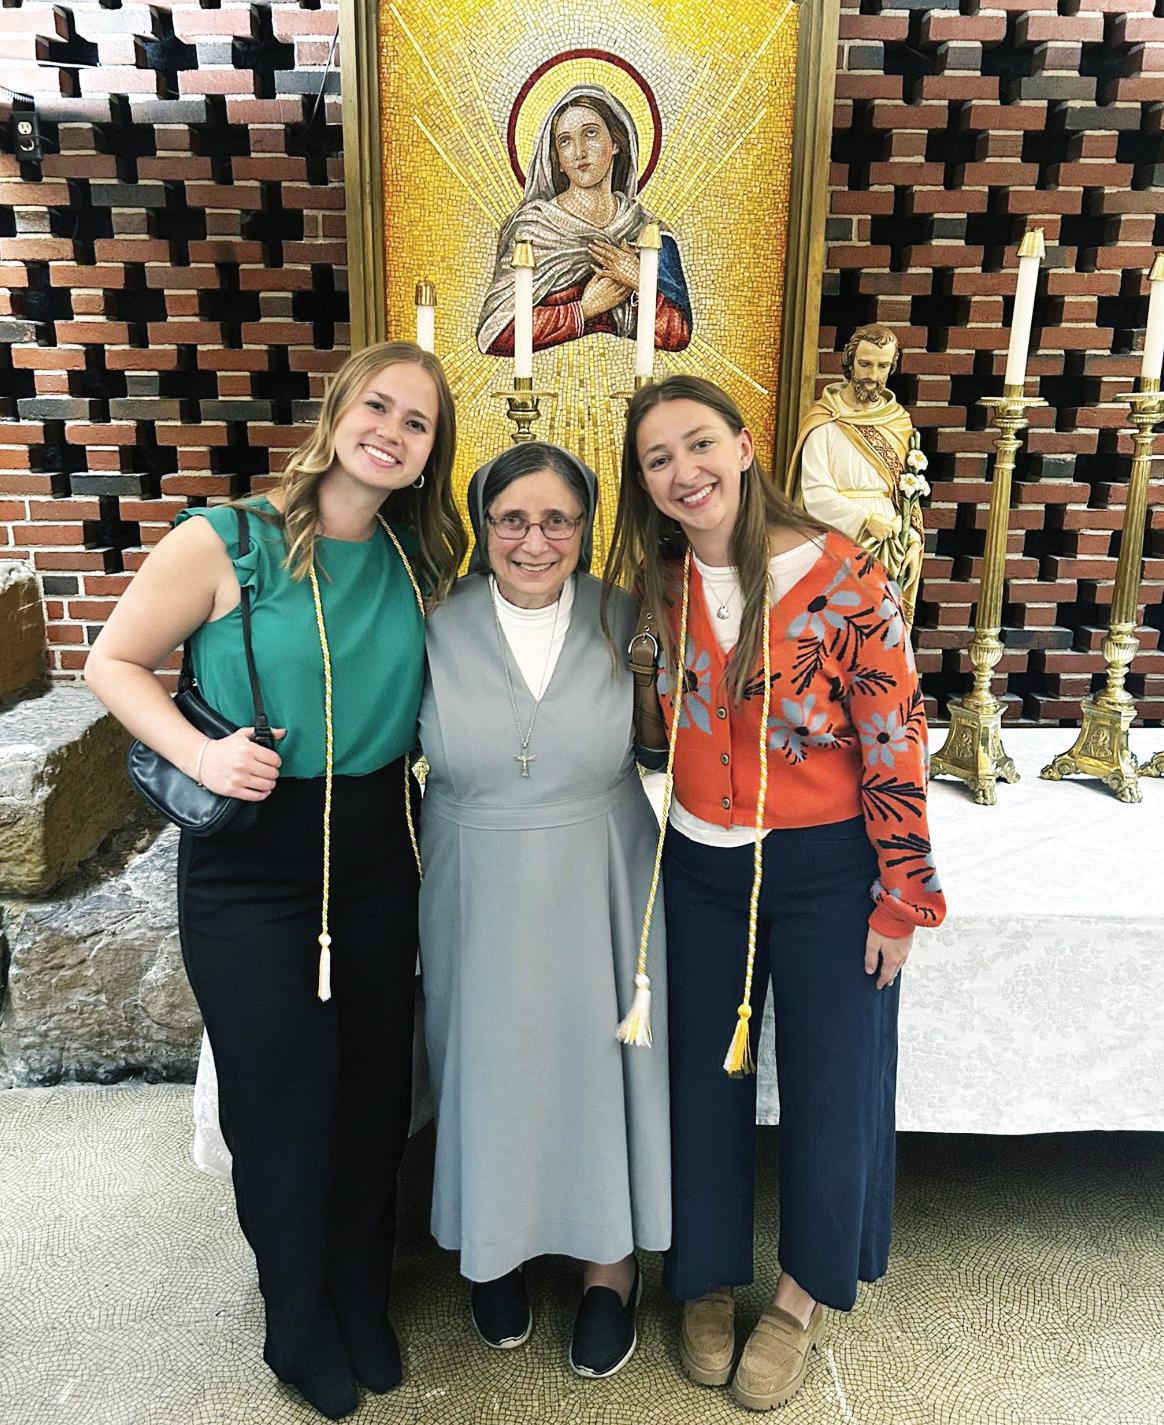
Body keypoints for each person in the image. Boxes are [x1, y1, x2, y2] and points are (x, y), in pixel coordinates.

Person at [85, 341, 467, 1420]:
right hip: (254, 864)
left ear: (430, 454)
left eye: (418, 423)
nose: (391, 432)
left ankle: (360, 1291)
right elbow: (112, 661)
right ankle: (296, 1317)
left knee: (373, 1096)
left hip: (381, 853)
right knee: (281, 1105)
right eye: (377, 406)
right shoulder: (229, 541)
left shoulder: (416, 561)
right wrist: (201, 755)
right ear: (338, 410)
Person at [602, 375, 946, 1411]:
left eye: (700, 444)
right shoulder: (662, 582)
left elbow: (895, 737)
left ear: (746, 446)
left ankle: (801, 1296)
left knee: (831, 1085)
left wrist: (903, 895)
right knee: (701, 1083)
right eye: (659, 458)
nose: (684, 471)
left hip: (826, 872)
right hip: (701, 868)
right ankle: (705, 1276)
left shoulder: (844, 575)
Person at [418, 440, 670, 1379]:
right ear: (482, 524)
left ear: (585, 527)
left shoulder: (627, 617)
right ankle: (496, 1247)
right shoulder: (433, 619)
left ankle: (611, 1266)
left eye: (557, 519)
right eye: (512, 519)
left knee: (596, 1062)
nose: (534, 540)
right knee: (489, 1060)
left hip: (601, 871)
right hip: (472, 875)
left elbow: (671, 739)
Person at [477, 83, 691, 357]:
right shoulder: (532, 231)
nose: (579, 152)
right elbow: (496, 333)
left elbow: (678, 334)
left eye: (590, 133)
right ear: (558, 159)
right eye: (565, 141)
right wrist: (584, 310)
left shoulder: (648, 233)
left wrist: (640, 280)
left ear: (616, 142)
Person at [784, 323, 928, 624]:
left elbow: (907, 490)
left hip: (891, 543)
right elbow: (815, 494)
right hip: (838, 539)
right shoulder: (825, 421)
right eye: (865, 364)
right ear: (849, 362)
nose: (873, 375)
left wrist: (913, 539)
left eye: (883, 366)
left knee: (883, 630)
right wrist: (865, 521)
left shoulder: (898, 422)